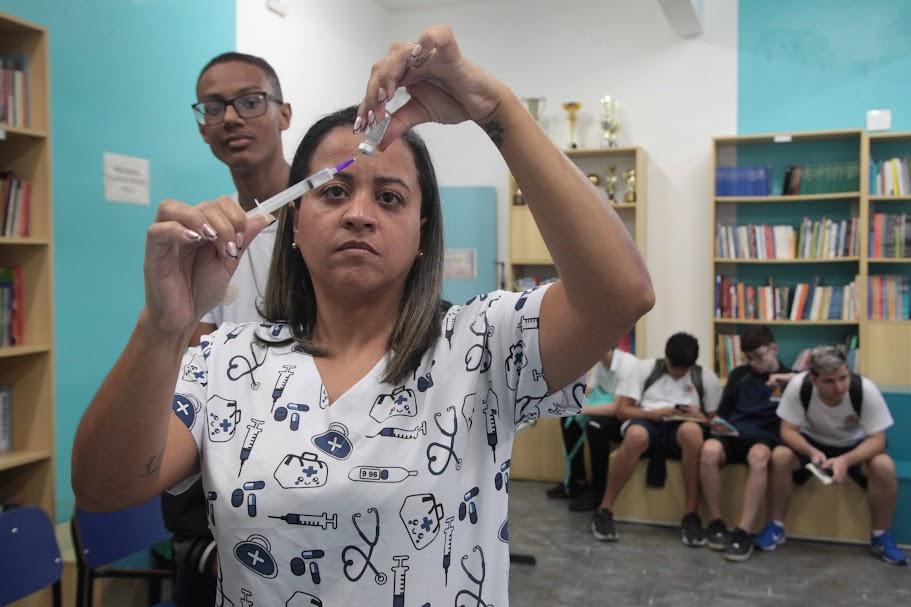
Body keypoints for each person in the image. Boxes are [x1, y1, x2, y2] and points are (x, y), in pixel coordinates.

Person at [71, 25, 655, 607]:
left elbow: (620, 295)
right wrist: (164, 325)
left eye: (390, 197)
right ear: (293, 224)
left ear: (422, 232)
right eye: (332, 192)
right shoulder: (227, 360)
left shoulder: (479, 346)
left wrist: (493, 108)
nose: (359, 214)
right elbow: (104, 487)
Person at [159, 52, 293, 606]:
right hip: (233, 504)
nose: (231, 117)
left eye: (250, 101)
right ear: (201, 126)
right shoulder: (210, 242)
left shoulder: (332, 223)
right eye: (215, 107)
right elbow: (196, 378)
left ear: (284, 114)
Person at [756, 346, 908, 565]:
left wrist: (846, 460)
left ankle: (880, 536)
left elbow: (878, 439)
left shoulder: (865, 390)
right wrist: (811, 451)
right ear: (814, 379)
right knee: (780, 456)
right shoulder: (799, 387)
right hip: (812, 443)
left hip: (854, 446)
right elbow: (787, 431)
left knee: (884, 466)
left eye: (843, 378)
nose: (839, 387)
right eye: (829, 381)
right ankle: (775, 527)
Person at [592, 332, 722, 545]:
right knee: (636, 435)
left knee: (692, 432)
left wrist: (699, 417)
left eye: (684, 370)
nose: (679, 374)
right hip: (648, 419)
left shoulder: (705, 378)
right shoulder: (645, 369)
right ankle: (604, 509)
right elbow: (623, 411)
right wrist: (654, 413)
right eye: (675, 368)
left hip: (683, 428)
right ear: (666, 359)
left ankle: (691, 514)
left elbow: (715, 422)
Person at [698, 325, 793, 562]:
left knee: (760, 456)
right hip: (733, 434)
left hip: (763, 437)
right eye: (748, 358)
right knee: (709, 450)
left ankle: (744, 530)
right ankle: (716, 522)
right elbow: (723, 412)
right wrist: (718, 424)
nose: (753, 363)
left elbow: (816, 376)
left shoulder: (790, 378)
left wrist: (792, 378)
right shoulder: (740, 375)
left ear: (774, 349)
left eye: (758, 357)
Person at [546, 346, 639, 512]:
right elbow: (588, 390)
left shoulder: (628, 365)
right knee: (568, 418)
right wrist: (563, 399)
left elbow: (617, 408)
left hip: (626, 415)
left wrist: (580, 409)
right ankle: (576, 480)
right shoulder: (600, 363)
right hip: (608, 408)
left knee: (594, 426)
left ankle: (598, 490)